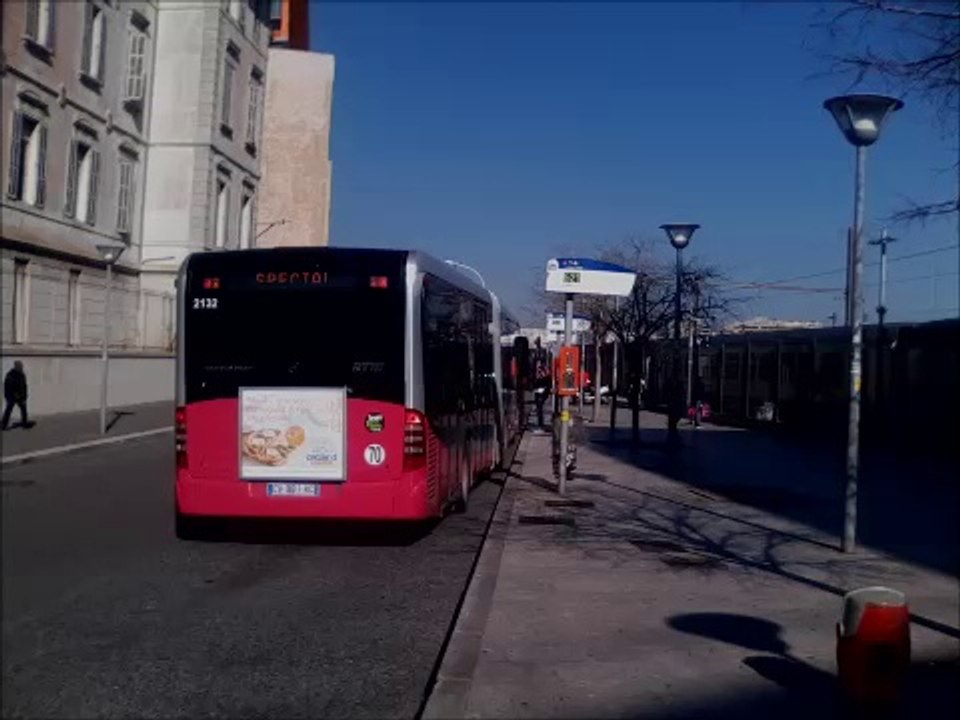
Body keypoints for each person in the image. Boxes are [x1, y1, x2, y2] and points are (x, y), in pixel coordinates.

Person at [3, 361, 30, 430]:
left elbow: (24, 386)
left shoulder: (22, 375)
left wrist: (25, 396)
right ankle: (3, 425)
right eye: (19, 366)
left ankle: (24, 423)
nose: (21, 367)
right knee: (8, 410)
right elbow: (8, 386)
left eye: (21, 366)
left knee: (24, 409)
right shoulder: (10, 374)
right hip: (11, 396)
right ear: (15, 366)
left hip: (20, 396)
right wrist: (14, 394)